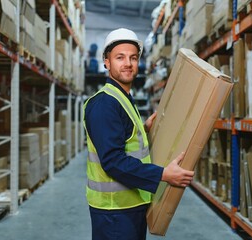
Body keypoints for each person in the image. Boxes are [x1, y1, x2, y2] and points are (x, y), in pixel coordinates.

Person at [83, 28, 194, 240]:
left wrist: (141, 130)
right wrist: (164, 175)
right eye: (120, 57)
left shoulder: (122, 97)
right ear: (106, 62)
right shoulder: (105, 103)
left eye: (133, 58)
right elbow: (113, 161)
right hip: (114, 211)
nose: (128, 63)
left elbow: (120, 138)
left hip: (130, 205)